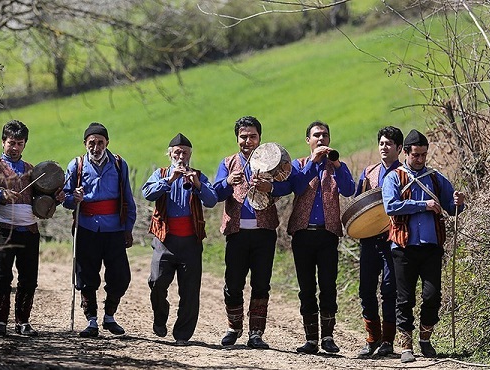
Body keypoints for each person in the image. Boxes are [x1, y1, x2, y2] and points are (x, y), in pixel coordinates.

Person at [382, 129, 465, 363]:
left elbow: (451, 207)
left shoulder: (436, 178)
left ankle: (425, 339)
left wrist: (459, 202)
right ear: (405, 152)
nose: (420, 159)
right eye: (416, 155)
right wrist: (423, 204)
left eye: (423, 155)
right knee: (405, 298)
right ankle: (406, 346)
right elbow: (391, 206)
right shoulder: (394, 178)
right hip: (403, 247)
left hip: (431, 247)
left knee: (432, 296)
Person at [0, 119, 64, 337]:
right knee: (2, 276)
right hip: (4, 231)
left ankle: (23, 322)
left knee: (29, 278)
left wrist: (57, 198)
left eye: (20, 143)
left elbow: (42, 200)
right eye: (11, 142)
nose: (15, 147)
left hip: (29, 231)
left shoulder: (33, 171)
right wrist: (0, 195)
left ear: (25, 144)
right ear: (3, 142)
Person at [213, 115, 294, 349]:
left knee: (261, 284)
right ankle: (234, 326)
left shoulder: (272, 160)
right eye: (243, 137)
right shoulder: (228, 163)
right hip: (236, 233)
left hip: (264, 232)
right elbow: (215, 195)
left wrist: (271, 187)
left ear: (260, 138)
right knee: (233, 282)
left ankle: (256, 333)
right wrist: (228, 181)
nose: (247, 141)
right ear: (237, 138)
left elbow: (288, 185)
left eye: (252, 137)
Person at [142, 133, 218, 346]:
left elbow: (212, 200)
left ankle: (183, 334)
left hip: (191, 243)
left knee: (190, 291)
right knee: (156, 282)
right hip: (165, 241)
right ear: (170, 154)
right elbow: (148, 193)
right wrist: (170, 180)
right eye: (177, 152)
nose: (181, 156)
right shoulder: (161, 173)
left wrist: (197, 184)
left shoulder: (199, 176)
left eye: (185, 153)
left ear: (190, 155)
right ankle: (160, 318)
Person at [62, 122, 137, 338]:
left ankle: (110, 316)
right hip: (86, 228)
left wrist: (128, 228)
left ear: (107, 143)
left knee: (121, 276)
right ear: (85, 143)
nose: (96, 148)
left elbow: (128, 199)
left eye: (100, 143)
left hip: (114, 229)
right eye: (92, 143)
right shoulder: (76, 166)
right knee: (86, 276)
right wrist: (72, 198)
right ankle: (92, 320)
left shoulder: (119, 164)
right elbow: (64, 198)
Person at [286, 120, 355, 354]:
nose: (321, 139)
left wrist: (336, 164)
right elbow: (296, 186)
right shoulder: (299, 165)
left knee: (328, 286)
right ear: (308, 140)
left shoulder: (336, 167)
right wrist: (313, 163)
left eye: (325, 135)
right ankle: (310, 339)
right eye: (316, 135)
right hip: (303, 234)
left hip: (327, 234)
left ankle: (327, 337)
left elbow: (349, 190)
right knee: (306, 287)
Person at [354, 126, 403, 357]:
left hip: (394, 241)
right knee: (365, 289)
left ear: (399, 148)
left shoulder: (405, 173)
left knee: (389, 290)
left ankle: (388, 341)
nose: (384, 147)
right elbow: (358, 204)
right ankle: (372, 338)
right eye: (382, 143)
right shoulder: (368, 172)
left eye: (389, 144)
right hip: (369, 241)